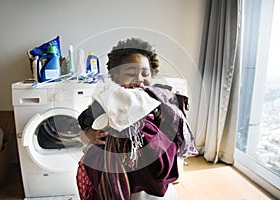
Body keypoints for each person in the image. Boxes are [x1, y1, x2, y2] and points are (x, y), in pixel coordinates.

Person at [76, 38, 197, 200]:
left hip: (152, 166)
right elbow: (84, 119)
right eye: (131, 74)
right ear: (116, 76)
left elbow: (173, 123)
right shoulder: (109, 99)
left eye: (145, 74)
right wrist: (91, 134)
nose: (139, 79)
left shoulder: (156, 97)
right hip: (118, 166)